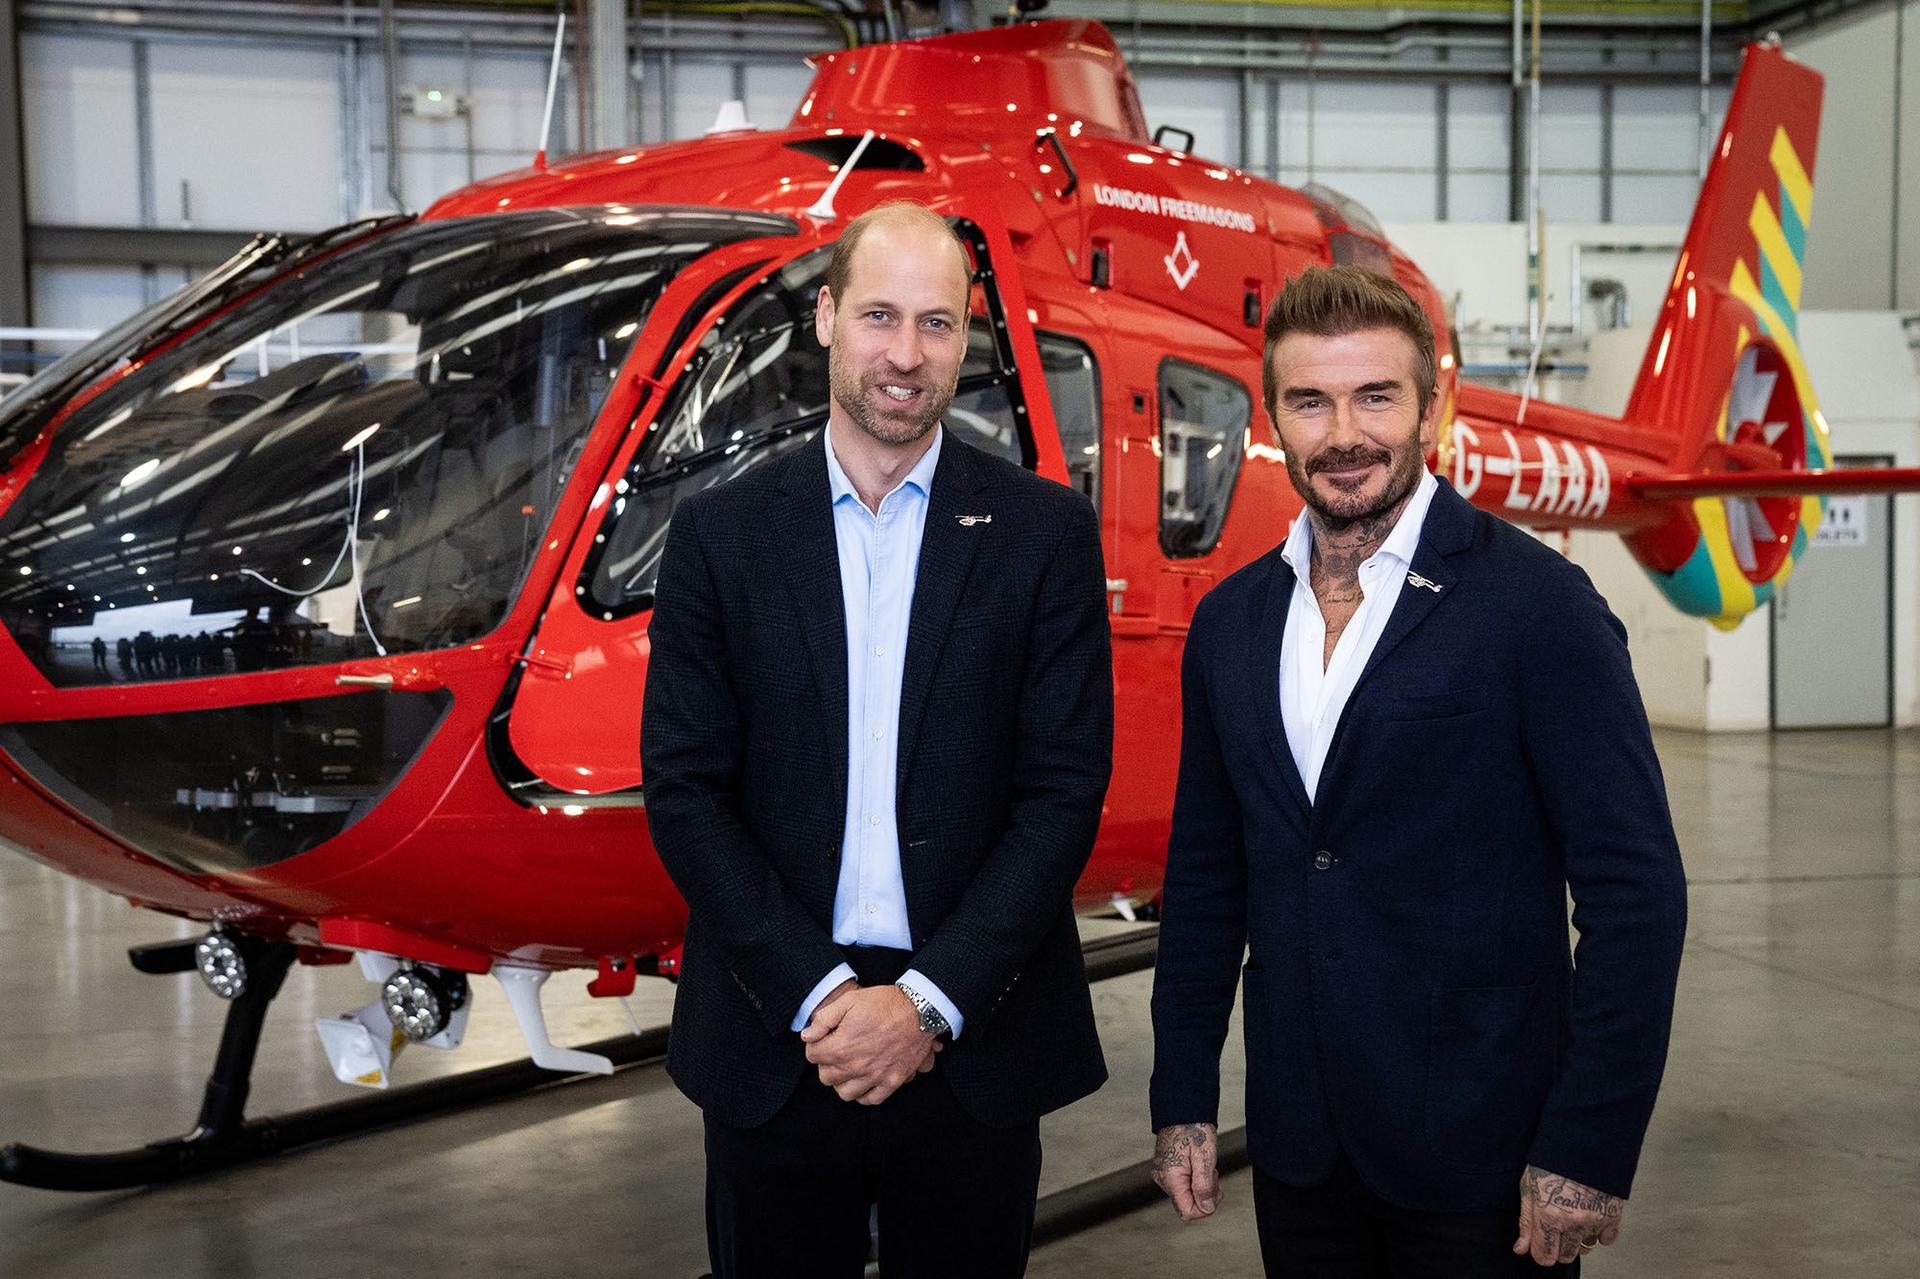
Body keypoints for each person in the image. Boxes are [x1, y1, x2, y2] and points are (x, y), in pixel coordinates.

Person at [1147, 265, 1687, 1275]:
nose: (1344, 433)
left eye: (1376, 397)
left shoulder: (1537, 606)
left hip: (1485, 1155)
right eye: (1311, 400)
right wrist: (1182, 1093)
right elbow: (1208, 878)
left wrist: (1587, 1144)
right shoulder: (1231, 624)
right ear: (1275, 415)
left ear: (1431, 408)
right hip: (1301, 1152)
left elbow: (1637, 894)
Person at [641, 200, 1113, 1279]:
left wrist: (925, 1004)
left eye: (938, 324)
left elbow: (1062, 793)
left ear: (968, 336)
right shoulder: (723, 533)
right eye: (880, 317)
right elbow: (684, 789)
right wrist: (824, 997)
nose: (906, 354)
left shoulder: (1043, 534)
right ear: (825, 318)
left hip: (973, 1035)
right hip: (776, 1033)